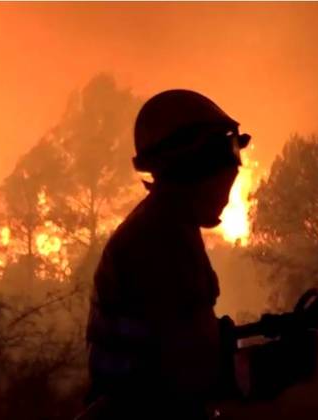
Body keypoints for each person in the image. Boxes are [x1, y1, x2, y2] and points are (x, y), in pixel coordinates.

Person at [82, 89, 251, 419]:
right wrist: (260, 370)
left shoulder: (169, 225)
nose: (235, 169)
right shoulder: (157, 239)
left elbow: (182, 336)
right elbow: (185, 373)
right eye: (227, 151)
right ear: (194, 164)